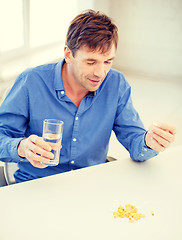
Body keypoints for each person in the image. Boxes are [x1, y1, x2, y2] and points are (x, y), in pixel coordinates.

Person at [0, 10, 176, 183]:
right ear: (68, 54)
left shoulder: (116, 84)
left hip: (90, 184)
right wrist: (21, 147)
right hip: (36, 182)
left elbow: (135, 143)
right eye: (90, 62)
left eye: (108, 61)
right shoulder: (32, 82)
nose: (100, 73)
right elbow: (2, 136)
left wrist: (148, 142)